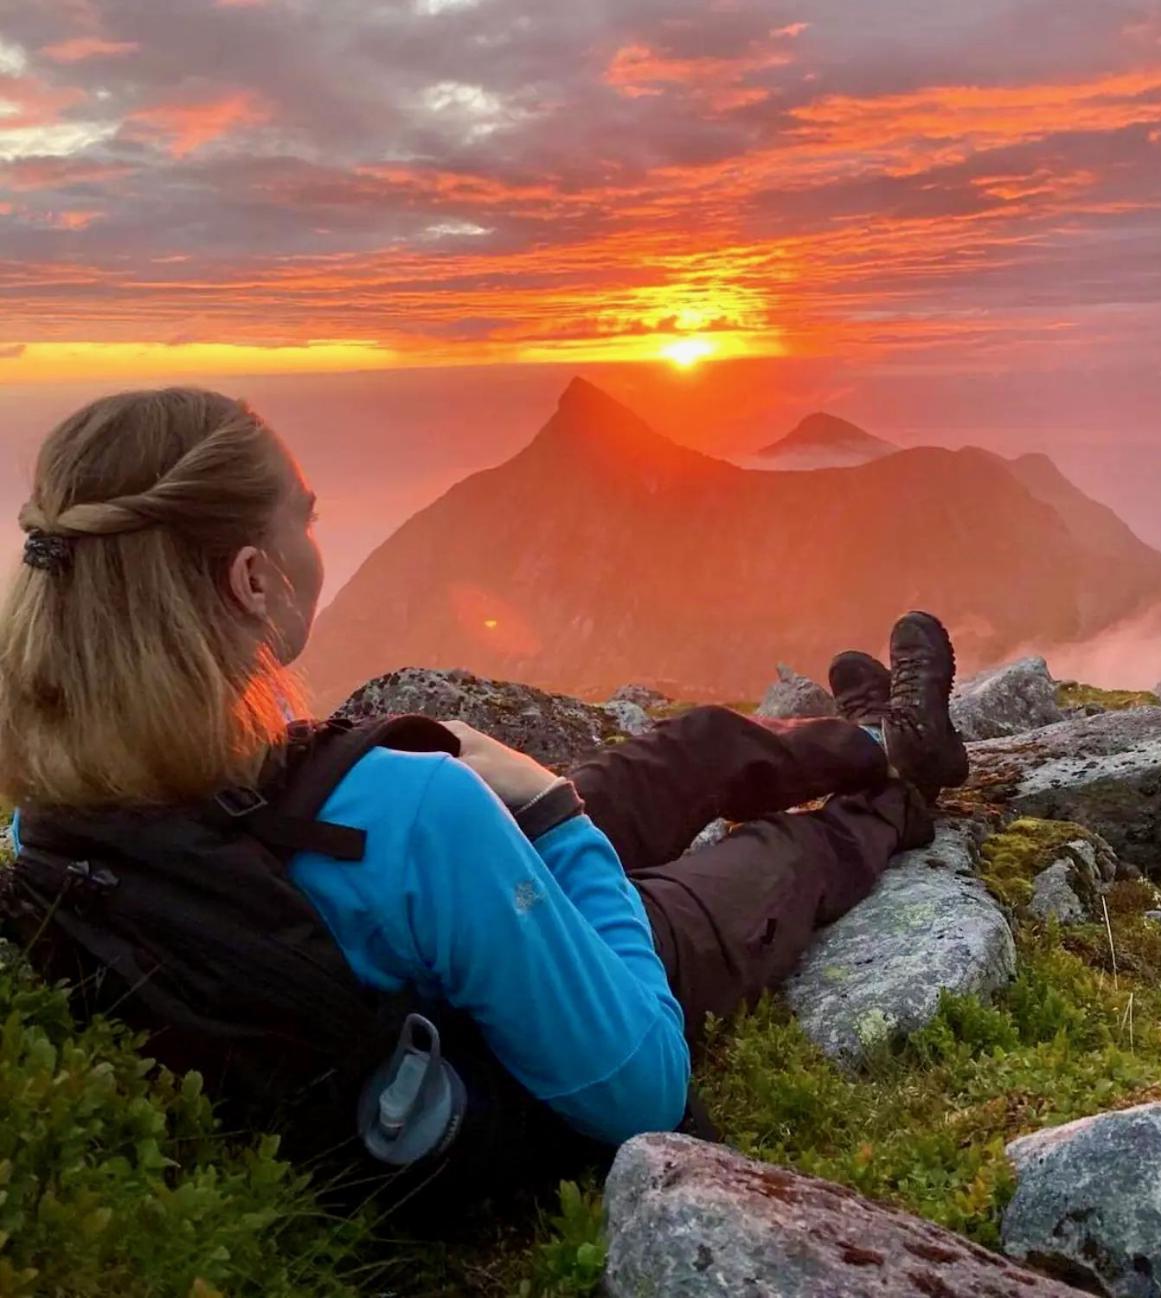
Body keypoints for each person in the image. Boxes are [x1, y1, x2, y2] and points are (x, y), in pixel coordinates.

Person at [0, 388, 968, 1198]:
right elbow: (643, 1087)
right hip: (506, 977)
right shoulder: (420, 813)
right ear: (253, 577)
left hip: (396, 901)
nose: (314, 540)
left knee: (686, 749)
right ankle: (900, 792)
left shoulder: (48, 815)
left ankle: (874, 736)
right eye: (305, 516)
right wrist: (551, 812)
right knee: (765, 862)